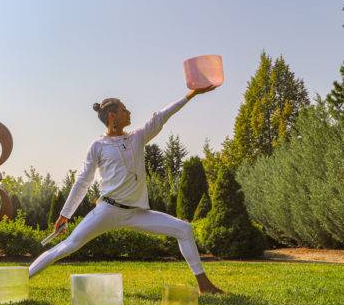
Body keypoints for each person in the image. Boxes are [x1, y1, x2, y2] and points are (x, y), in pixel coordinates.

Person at [28, 86, 224, 294]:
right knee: (68, 246)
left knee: (184, 230)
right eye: (124, 110)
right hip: (108, 211)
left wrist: (190, 95)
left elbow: (161, 117)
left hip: (136, 213)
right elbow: (83, 181)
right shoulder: (98, 145)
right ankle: (23, 277)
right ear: (113, 116)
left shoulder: (136, 138)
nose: (129, 112)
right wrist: (64, 215)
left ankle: (204, 285)